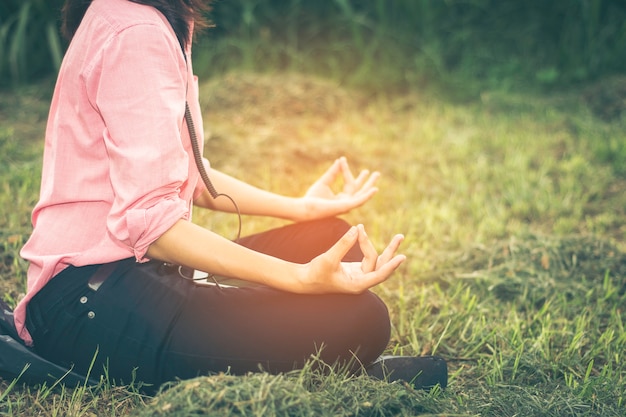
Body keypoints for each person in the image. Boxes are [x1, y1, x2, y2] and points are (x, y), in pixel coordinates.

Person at [12, 0, 447, 392]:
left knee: (327, 237)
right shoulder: (135, 32)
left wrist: (301, 207)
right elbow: (154, 224)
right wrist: (296, 278)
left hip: (135, 276)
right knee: (362, 319)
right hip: (90, 308)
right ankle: (313, 360)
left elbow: (185, 174)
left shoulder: (155, 21)